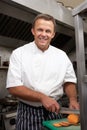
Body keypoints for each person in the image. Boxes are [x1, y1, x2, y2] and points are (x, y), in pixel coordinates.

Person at [6, 13, 79, 130]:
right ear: (33, 31)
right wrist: (42, 97)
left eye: (48, 31)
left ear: (53, 34)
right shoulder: (19, 53)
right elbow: (13, 87)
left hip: (55, 111)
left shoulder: (61, 55)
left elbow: (69, 80)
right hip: (28, 113)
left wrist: (73, 99)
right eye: (40, 30)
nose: (44, 34)